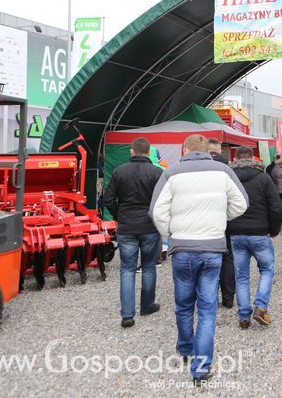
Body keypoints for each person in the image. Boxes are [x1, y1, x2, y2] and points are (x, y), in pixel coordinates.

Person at [151, 134, 248, 385]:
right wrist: (220, 218)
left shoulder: (170, 174)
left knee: (183, 304)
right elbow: (241, 203)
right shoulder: (224, 171)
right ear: (208, 150)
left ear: (185, 149)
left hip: (182, 248)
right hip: (212, 248)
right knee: (207, 310)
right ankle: (202, 367)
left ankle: (185, 347)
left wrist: (170, 235)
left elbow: (157, 211)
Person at [103, 137, 164, 328]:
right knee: (148, 267)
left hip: (127, 226)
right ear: (148, 153)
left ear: (132, 152)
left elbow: (108, 199)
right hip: (149, 226)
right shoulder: (157, 172)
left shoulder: (119, 171)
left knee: (127, 270)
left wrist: (119, 215)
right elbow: (162, 200)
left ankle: (127, 314)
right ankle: (147, 305)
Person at [228, 146, 282, 328]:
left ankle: (244, 317)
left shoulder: (230, 179)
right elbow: (276, 206)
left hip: (235, 232)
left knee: (241, 276)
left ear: (235, 158)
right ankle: (260, 306)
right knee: (267, 270)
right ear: (253, 157)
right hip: (259, 232)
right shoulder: (263, 177)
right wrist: (274, 229)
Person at [208, 137, 235, 308]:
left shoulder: (198, 168)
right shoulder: (228, 168)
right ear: (219, 150)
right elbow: (237, 199)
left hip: (204, 221)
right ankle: (228, 298)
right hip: (224, 219)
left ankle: (209, 299)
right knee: (227, 259)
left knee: (208, 259)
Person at [270, 155, 282, 221]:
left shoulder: (273, 170)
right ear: (281, 163)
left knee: (279, 206)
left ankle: (279, 219)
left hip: (276, 190)